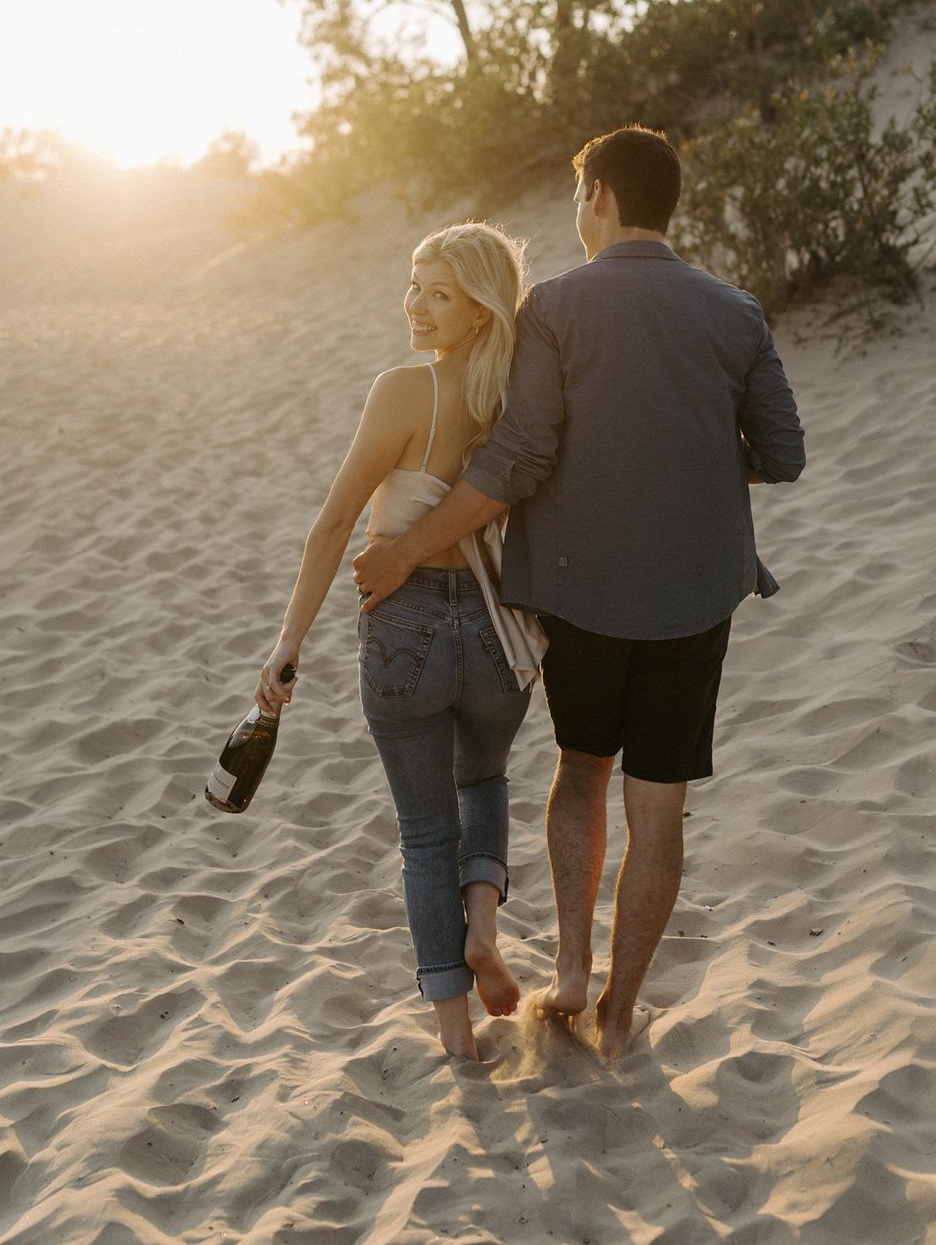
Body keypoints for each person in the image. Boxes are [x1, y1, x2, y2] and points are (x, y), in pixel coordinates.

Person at [354, 126, 806, 1059]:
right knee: (659, 805)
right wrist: (689, 452)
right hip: (694, 598)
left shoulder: (556, 307)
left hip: (581, 593)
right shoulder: (736, 312)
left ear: (597, 196)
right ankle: (621, 1004)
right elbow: (786, 456)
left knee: (582, 769)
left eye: (575, 198)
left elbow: (517, 461)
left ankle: (567, 970)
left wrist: (403, 555)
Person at [257, 221, 542, 1062]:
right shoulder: (519, 397)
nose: (415, 306)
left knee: (425, 837)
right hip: (497, 634)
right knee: (483, 777)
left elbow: (336, 522)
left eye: (440, 293)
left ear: (481, 311)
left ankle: (456, 1040)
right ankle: (482, 924)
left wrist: (287, 644)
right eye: (414, 284)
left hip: (408, 626)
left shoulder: (402, 391)